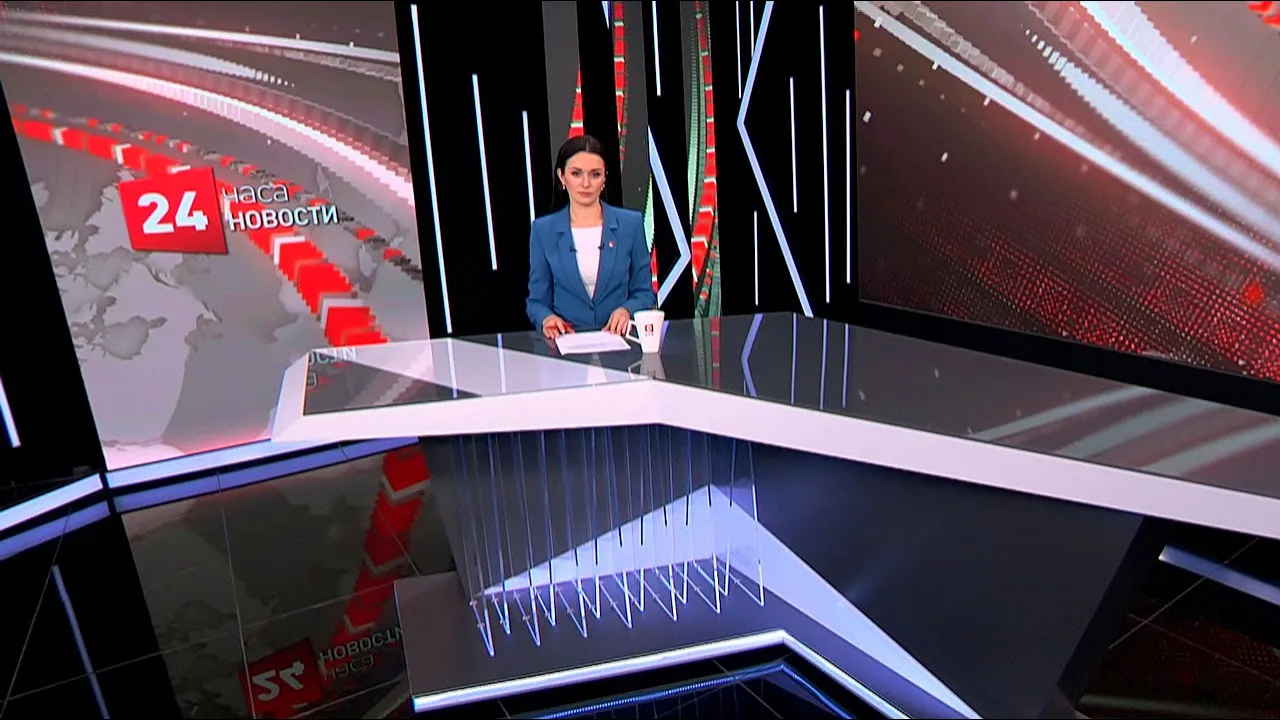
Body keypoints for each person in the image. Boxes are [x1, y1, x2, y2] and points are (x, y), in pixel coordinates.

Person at [527, 135, 657, 339]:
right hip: (566, 343)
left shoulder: (630, 225)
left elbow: (644, 293)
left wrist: (626, 310)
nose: (585, 183)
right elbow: (536, 302)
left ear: (605, 177)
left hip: (620, 343)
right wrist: (547, 318)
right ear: (562, 176)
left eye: (595, 174)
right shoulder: (543, 230)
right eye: (576, 174)